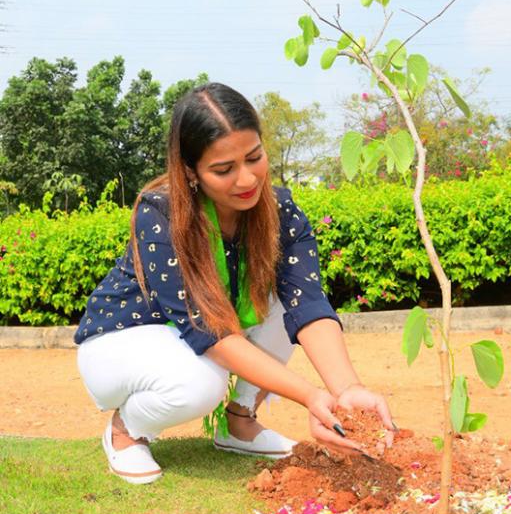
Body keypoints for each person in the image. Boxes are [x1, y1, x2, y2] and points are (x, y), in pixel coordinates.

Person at [75, 83, 395, 485]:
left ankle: (240, 423)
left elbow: (308, 304)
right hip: (123, 343)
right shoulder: (160, 217)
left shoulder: (279, 211)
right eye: (224, 169)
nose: (246, 179)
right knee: (200, 384)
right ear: (191, 171)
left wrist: (347, 390)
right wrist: (313, 398)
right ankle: (126, 429)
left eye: (255, 157)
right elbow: (209, 333)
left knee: (284, 307)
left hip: (202, 336)